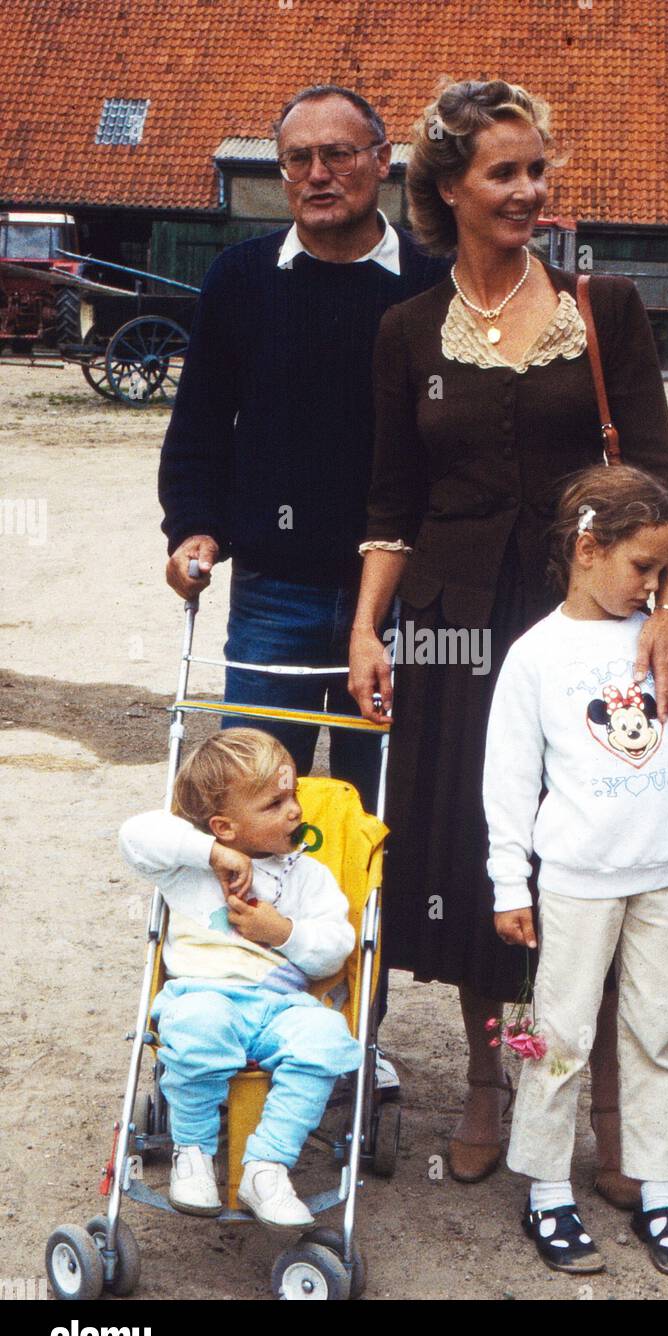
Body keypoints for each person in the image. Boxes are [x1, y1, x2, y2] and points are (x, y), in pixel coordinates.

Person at [348, 80, 668, 1190]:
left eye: (537, 170)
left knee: (594, 851)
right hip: (454, 635)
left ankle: (602, 1106)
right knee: (471, 849)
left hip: (588, 627)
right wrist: (367, 628)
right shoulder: (405, 329)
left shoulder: (607, 310)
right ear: (448, 188)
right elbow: (389, 503)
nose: (530, 191)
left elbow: (656, 481)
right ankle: (494, 1079)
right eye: (504, 172)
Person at [158, 84, 447, 816]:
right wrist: (192, 527)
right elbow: (198, 428)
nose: (317, 175)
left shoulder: (434, 284)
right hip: (273, 595)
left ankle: (370, 935)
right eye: (298, 160)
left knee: (380, 809)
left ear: (382, 161)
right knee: (252, 804)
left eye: (337, 154)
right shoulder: (240, 278)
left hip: (400, 602)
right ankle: (257, 932)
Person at [483, 465, 668, 1276]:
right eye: (643, 569)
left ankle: (659, 1189)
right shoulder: (537, 656)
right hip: (580, 879)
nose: (655, 587)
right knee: (559, 1035)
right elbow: (510, 780)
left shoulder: (660, 640)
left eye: (662, 573)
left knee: (660, 1031)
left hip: (664, 870)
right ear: (588, 549)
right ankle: (547, 1192)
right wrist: (507, 881)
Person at [118, 729, 363, 1228]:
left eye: (293, 796)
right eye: (275, 803)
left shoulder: (306, 874)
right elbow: (134, 836)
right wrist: (214, 855)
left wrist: (286, 933)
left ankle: (266, 1165)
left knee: (325, 1038)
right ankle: (193, 1151)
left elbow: (336, 946)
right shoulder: (188, 867)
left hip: (280, 1004)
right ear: (223, 826)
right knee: (196, 1027)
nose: (295, 810)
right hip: (203, 993)